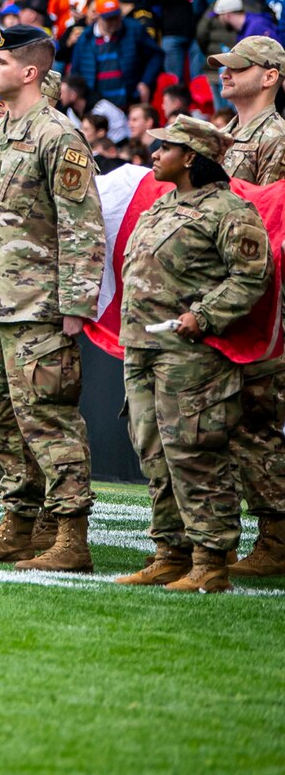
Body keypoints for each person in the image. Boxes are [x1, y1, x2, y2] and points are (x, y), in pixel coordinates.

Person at [0, 25, 105, 572]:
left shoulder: (56, 135)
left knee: (49, 420)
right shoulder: (2, 132)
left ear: (30, 72)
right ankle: (20, 524)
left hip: (41, 306)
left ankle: (70, 536)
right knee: (2, 420)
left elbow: (82, 225)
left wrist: (76, 305)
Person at [114, 116, 271, 594]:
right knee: (153, 451)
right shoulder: (161, 207)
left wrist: (202, 316)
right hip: (142, 347)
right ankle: (170, 552)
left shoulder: (229, 211)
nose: (155, 154)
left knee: (195, 453)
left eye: (165, 147)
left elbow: (250, 276)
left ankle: (210, 558)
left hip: (190, 353)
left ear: (192, 158)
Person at [207, 34, 285, 579]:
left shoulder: (275, 136)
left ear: (271, 75)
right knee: (231, 420)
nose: (226, 74)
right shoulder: (229, 134)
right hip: (227, 291)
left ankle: (277, 537)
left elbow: (275, 217)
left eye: (239, 67)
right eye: (224, 66)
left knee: (259, 418)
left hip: (260, 295)